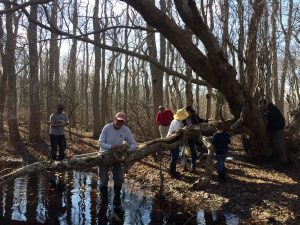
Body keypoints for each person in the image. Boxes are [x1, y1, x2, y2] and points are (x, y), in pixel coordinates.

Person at [98, 112, 137, 204]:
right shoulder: (107, 128)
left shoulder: (125, 130)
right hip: (104, 155)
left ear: (124, 122)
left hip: (118, 156)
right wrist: (110, 146)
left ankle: (117, 197)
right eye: (118, 120)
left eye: (122, 121)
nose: (119, 123)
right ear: (114, 119)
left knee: (119, 178)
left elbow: (133, 143)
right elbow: (100, 142)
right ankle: (104, 200)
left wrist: (127, 151)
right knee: (103, 179)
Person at [260, 99, 288, 164]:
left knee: (278, 144)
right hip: (273, 129)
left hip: (278, 129)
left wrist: (263, 114)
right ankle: (274, 159)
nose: (261, 107)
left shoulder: (272, 108)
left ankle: (284, 161)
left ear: (265, 104)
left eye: (261, 105)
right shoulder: (268, 109)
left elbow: (270, 116)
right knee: (272, 144)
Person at [182, 105, 208, 171]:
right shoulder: (183, 118)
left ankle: (193, 167)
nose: (191, 113)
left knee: (193, 151)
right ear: (187, 111)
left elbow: (200, 120)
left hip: (193, 136)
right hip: (185, 136)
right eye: (190, 112)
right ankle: (184, 166)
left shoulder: (194, 116)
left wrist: (207, 120)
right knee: (184, 152)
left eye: (192, 112)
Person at [167, 108, 189, 178]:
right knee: (174, 157)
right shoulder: (177, 122)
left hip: (173, 140)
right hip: (173, 140)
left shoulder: (177, 121)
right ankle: (172, 173)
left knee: (174, 157)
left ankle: (173, 171)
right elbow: (178, 133)